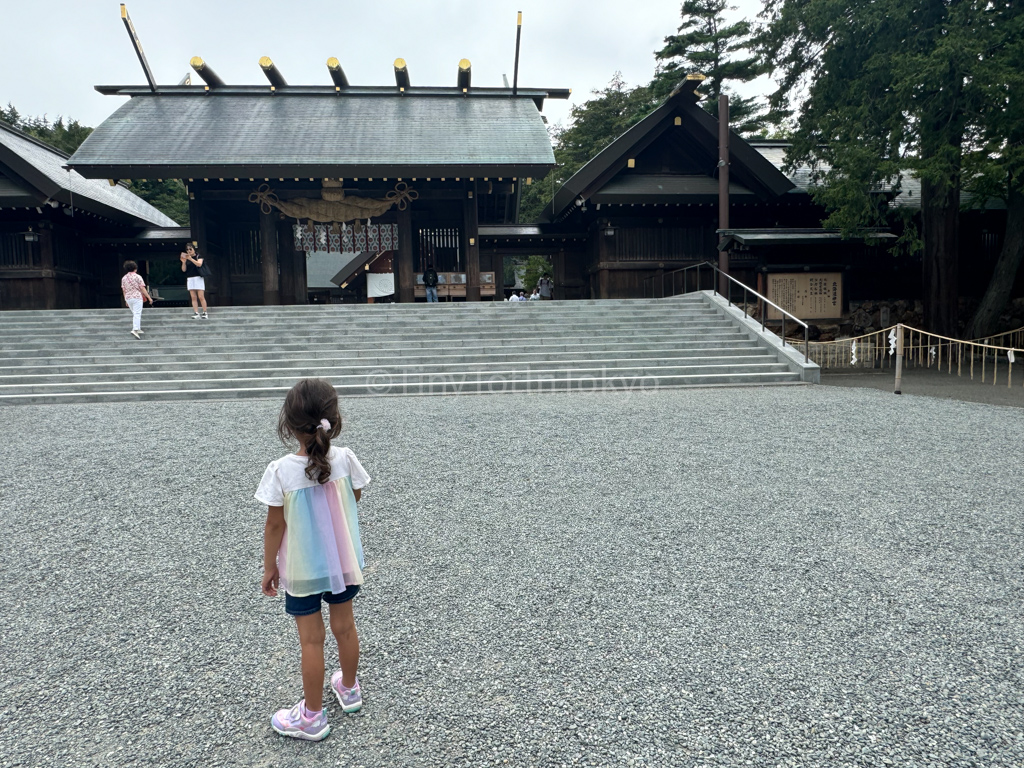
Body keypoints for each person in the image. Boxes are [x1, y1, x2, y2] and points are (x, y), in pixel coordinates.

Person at [256, 378, 371, 742]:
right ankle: (349, 690)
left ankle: (312, 716)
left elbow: (275, 525)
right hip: (343, 561)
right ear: (333, 420)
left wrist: (269, 566)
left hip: (303, 567)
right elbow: (354, 496)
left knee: (311, 641)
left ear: (289, 425)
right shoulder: (346, 458)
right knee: (346, 628)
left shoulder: (281, 470)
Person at [120, 260, 153, 340]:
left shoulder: (124, 278)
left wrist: (125, 300)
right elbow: (142, 288)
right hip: (137, 297)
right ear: (135, 268)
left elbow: (124, 290)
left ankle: (138, 328)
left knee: (135, 313)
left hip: (128, 297)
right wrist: (149, 297)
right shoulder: (138, 277)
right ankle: (135, 329)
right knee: (137, 313)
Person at [180, 243, 209, 319]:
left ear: (193, 249)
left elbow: (199, 264)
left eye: (190, 249)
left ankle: (205, 312)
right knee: (193, 297)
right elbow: (184, 270)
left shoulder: (198, 256)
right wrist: (183, 262)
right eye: (187, 249)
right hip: (190, 278)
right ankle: (196, 312)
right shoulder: (186, 258)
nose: (189, 251)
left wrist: (191, 259)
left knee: (201, 296)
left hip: (198, 277)